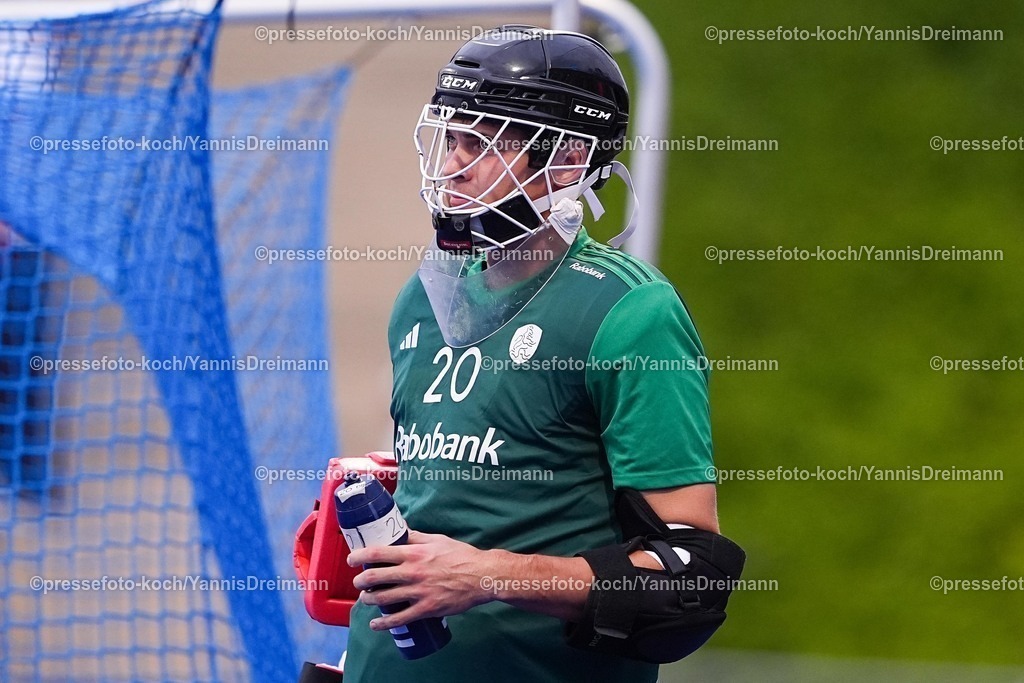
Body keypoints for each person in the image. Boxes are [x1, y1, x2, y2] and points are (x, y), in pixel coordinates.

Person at [342, 25, 745, 683]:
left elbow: (689, 577)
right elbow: (459, 494)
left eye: (479, 143)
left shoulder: (628, 312)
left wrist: (485, 575)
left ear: (565, 160)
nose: (450, 167)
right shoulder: (421, 299)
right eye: (450, 138)